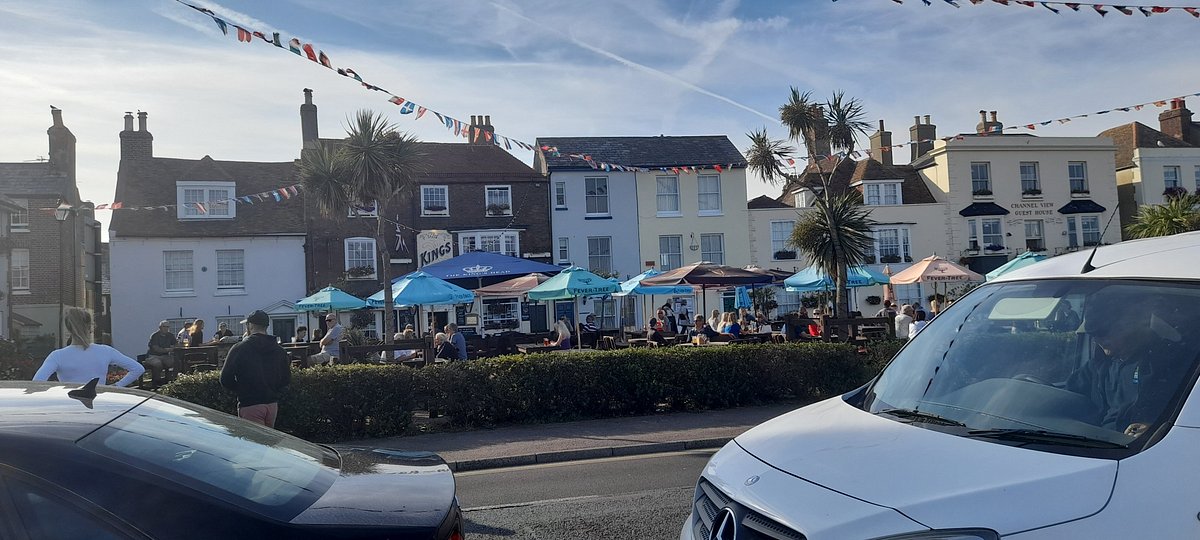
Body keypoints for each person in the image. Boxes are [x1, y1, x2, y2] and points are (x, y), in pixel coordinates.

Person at [1066, 289, 1189, 437]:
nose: (1098, 339)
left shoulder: (1171, 363)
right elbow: (1065, 397)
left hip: (1138, 450)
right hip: (1095, 442)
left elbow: (1188, 414)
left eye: (1104, 332)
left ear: (1131, 324)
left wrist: (1156, 429)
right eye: (1093, 334)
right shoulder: (1100, 365)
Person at [34, 308, 144, 387]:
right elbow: (138, 369)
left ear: (68, 329)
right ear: (91, 328)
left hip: (70, 404)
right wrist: (116, 386)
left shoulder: (57, 356)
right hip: (98, 402)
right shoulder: (105, 351)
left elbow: (37, 382)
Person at [219, 310, 290, 428]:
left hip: (250, 403)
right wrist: (273, 392)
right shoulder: (279, 351)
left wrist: (242, 389)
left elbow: (225, 379)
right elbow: (286, 380)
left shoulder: (239, 348)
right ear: (266, 326)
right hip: (272, 404)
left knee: (254, 444)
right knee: (268, 443)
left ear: (250, 325)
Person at [144, 320, 179, 386]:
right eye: (164, 326)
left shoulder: (170, 335)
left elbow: (176, 344)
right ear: (160, 327)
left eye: (167, 327)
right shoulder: (154, 335)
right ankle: (156, 382)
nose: (166, 328)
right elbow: (156, 349)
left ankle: (173, 379)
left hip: (165, 356)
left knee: (176, 361)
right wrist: (168, 350)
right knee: (158, 364)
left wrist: (175, 346)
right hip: (153, 356)